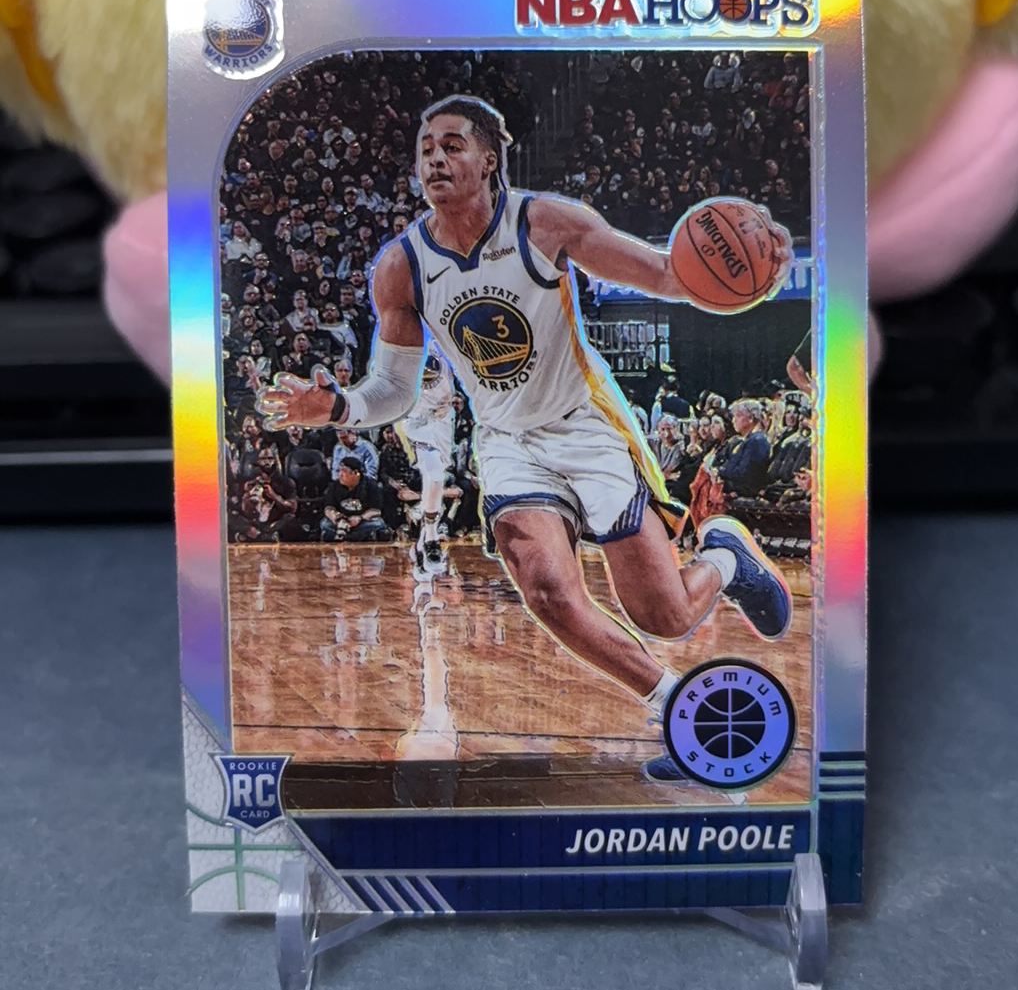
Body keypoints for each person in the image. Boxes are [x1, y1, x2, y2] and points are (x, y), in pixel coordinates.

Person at [259, 94, 793, 784]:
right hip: (509, 441)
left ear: (489, 159)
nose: (435, 159)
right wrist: (334, 406)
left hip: (585, 422)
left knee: (665, 615)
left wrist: (760, 275)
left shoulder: (546, 223)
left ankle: (724, 555)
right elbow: (391, 388)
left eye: (453, 145)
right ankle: (681, 712)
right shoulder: (402, 266)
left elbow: (668, 273)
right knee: (547, 590)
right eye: (426, 148)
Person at [397, 346, 456, 576]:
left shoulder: (445, 335)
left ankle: (423, 540)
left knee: (437, 477)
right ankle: (431, 537)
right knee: (434, 472)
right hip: (413, 419)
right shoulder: (400, 336)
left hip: (442, 417)